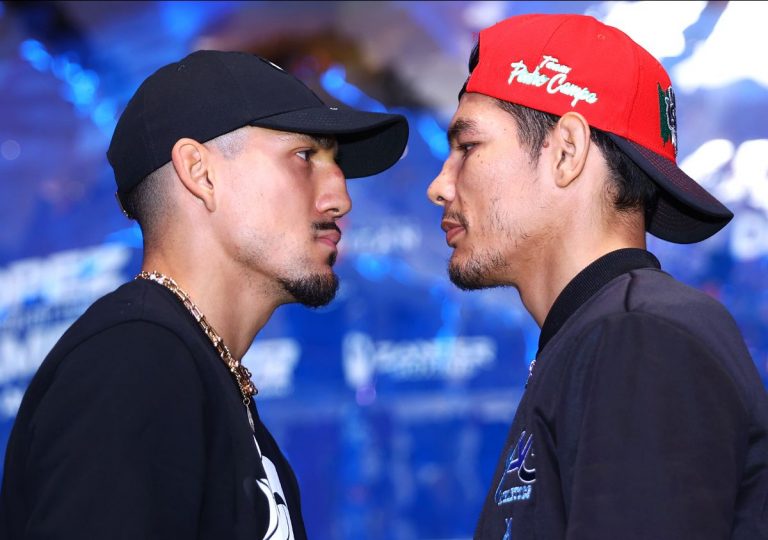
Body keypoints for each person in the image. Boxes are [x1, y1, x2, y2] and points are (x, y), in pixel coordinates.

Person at [0, 50, 408, 539]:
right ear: (200, 172)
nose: (340, 198)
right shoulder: (135, 360)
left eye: (335, 163)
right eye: (304, 156)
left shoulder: (189, 365)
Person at [427, 13, 768, 539]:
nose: (440, 185)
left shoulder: (639, 337)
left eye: (468, 147)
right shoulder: (605, 333)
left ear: (566, 151)